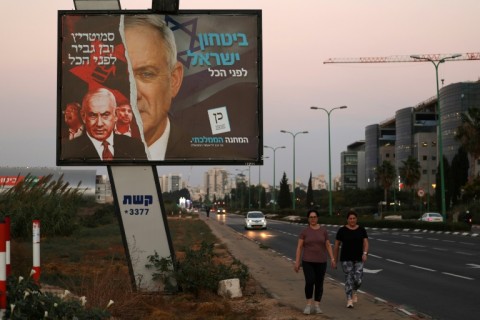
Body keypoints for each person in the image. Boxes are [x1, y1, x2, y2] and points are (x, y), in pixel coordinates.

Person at [124, 15, 184, 160]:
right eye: (119, 77)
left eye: (146, 74)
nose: (133, 95)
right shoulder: (79, 150)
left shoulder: (222, 155)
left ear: (174, 81)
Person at [62, 87, 147, 161]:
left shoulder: (136, 147)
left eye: (105, 115)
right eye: (93, 115)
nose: (99, 123)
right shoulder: (69, 150)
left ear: (116, 115)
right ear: (83, 116)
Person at [294, 209, 336, 315]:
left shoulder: (323, 231)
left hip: (321, 261)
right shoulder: (304, 232)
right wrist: (297, 262)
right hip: (307, 261)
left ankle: (317, 305)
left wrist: (332, 258)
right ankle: (308, 305)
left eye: (314, 217)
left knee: (319, 283)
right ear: (308, 219)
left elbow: (327, 245)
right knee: (309, 281)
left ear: (317, 218)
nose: (313, 219)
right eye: (311, 217)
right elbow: (299, 247)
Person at [333, 210, 369, 308]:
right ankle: (349, 300)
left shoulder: (361, 230)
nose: (352, 220)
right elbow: (336, 245)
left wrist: (365, 253)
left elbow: (365, 242)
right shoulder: (342, 230)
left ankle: (354, 290)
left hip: (358, 259)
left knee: (358, 280)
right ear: (347, 220)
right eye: (350, 219)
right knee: (349, 279)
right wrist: (334, 260)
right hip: (346, 259)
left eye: (354, 218)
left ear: (356, 219)